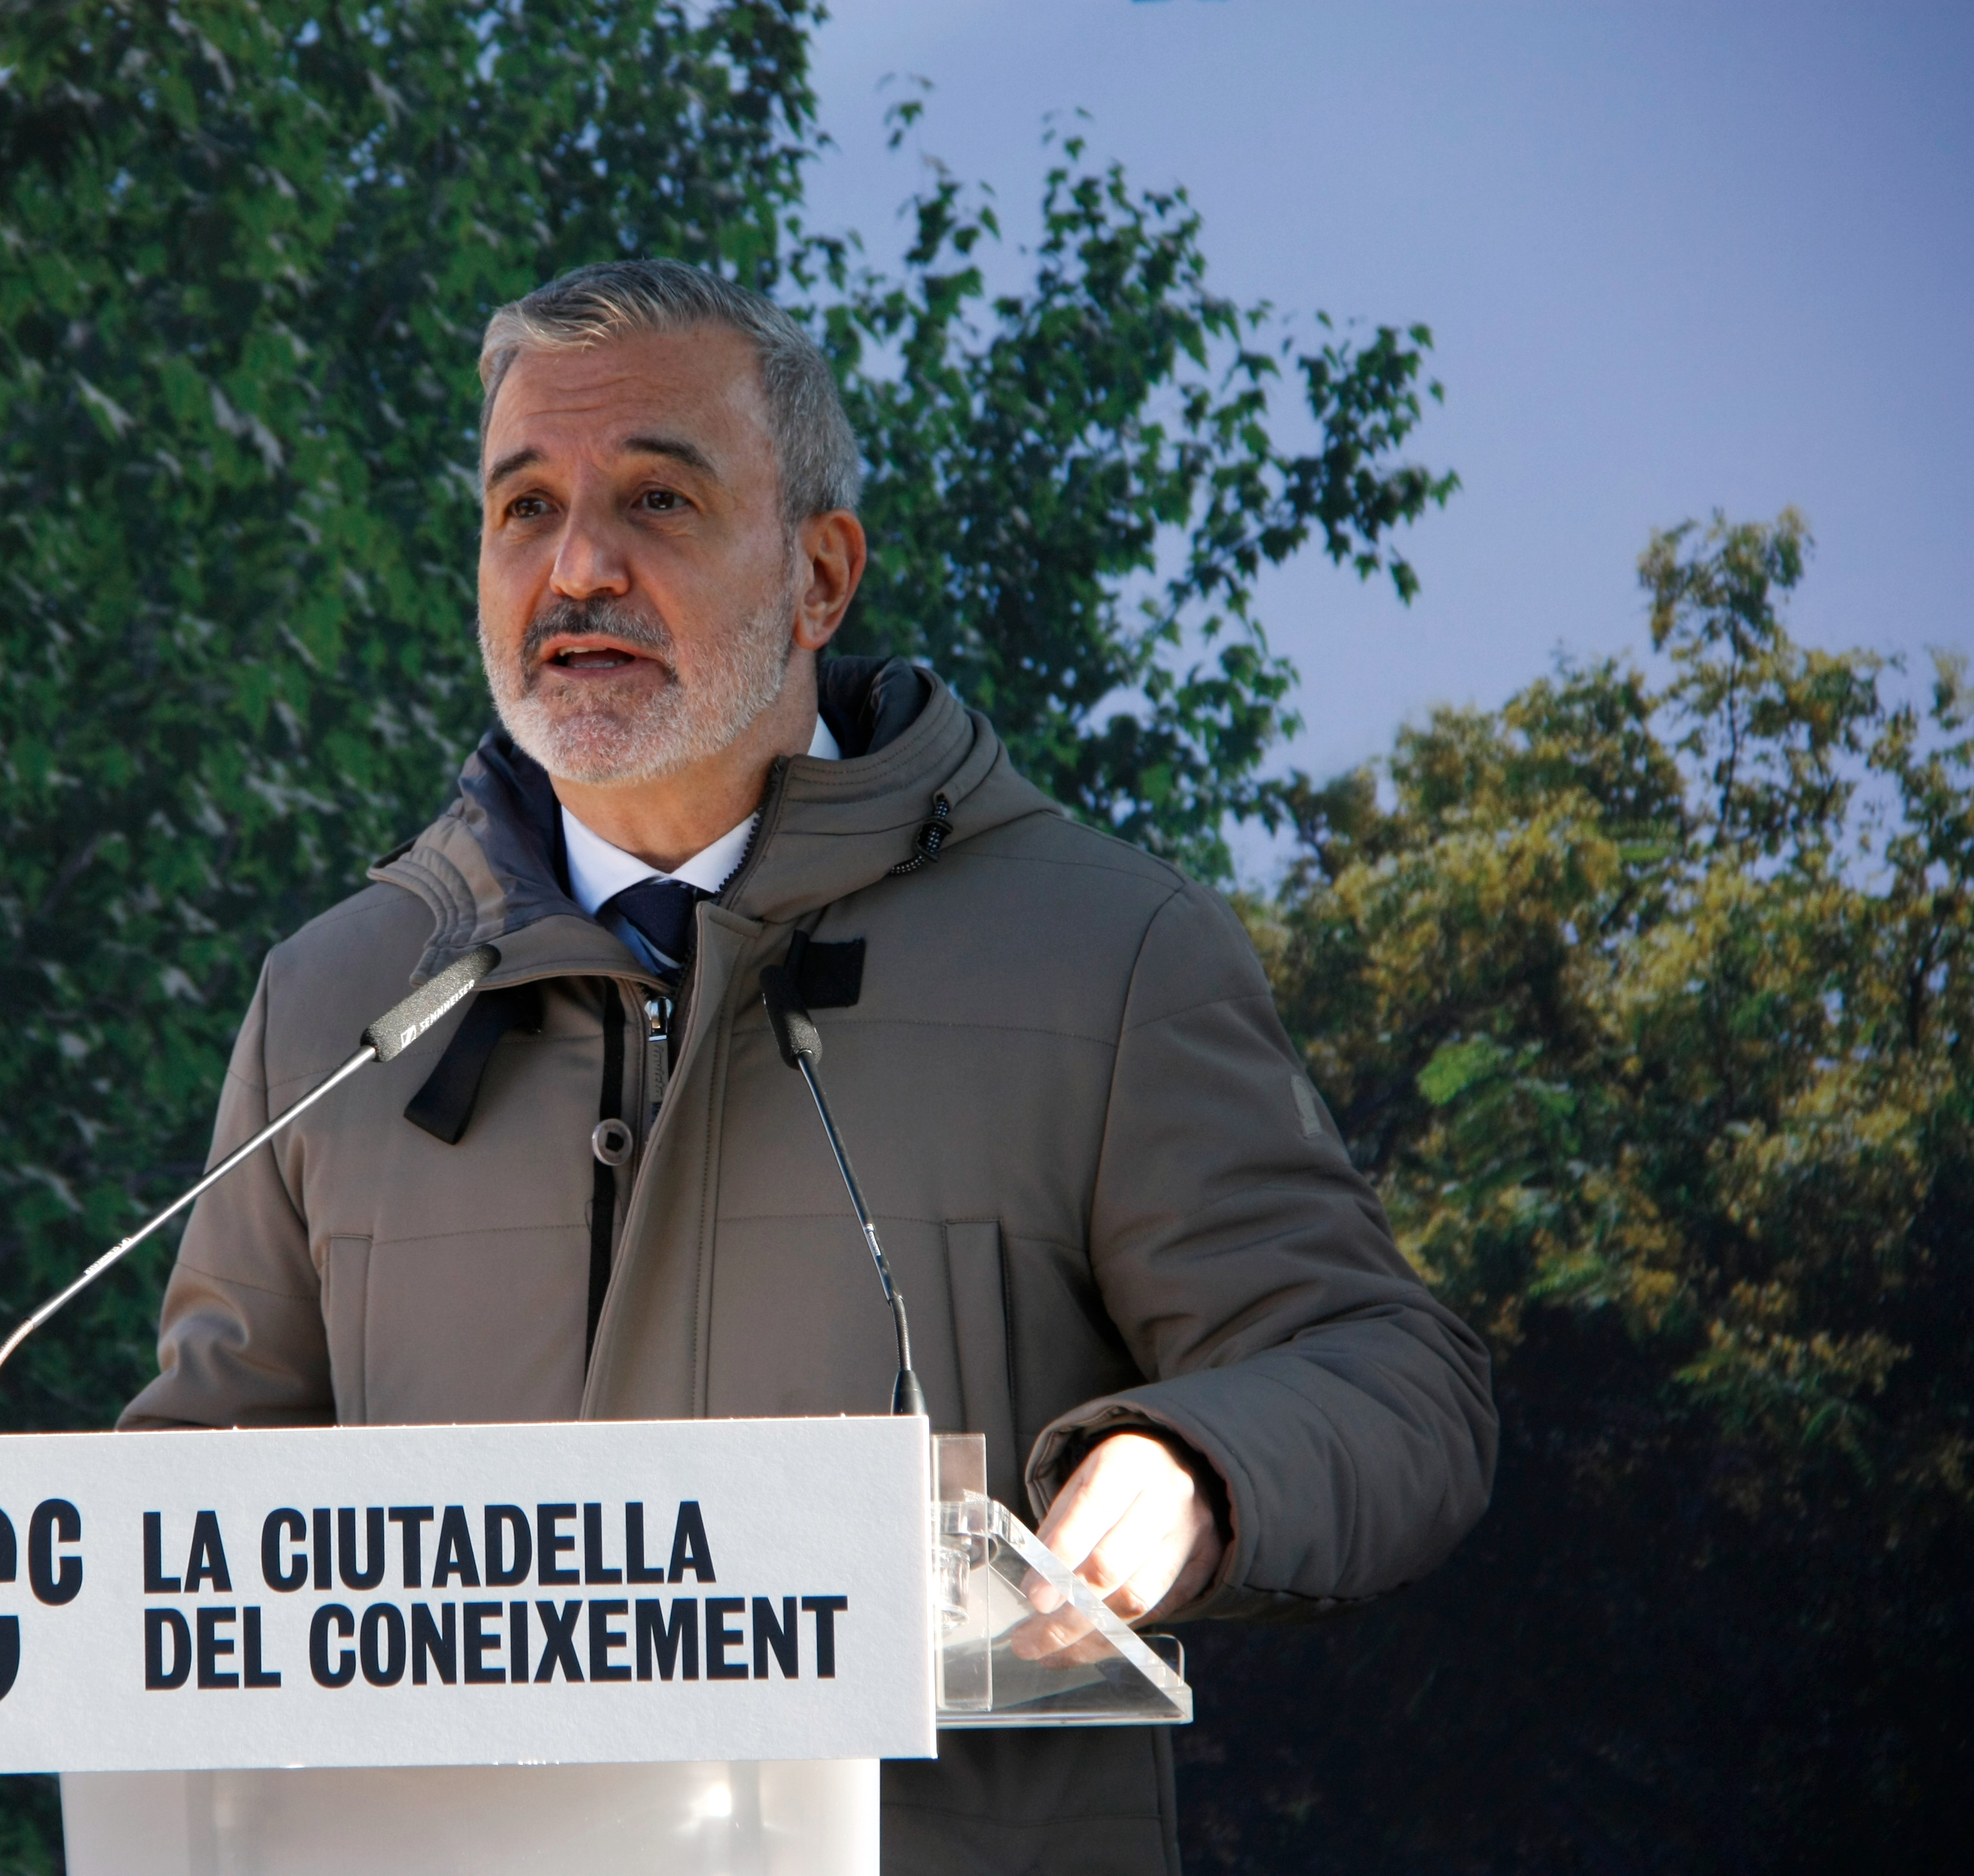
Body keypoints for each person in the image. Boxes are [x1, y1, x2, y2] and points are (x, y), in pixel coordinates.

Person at [121, 259, 1496, 1873]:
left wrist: (1196, 1460)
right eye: (524, 508)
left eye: (657, 498)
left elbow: (1391, 1377)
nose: (577, 565)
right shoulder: (336, 1000)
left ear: (820, 574)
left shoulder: (1103, 954)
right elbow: (187, 1538)